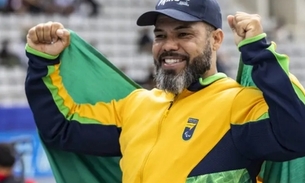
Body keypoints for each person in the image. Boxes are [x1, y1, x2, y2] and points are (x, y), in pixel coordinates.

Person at [24, 0, 305, 182]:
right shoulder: (134, 105)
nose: (168, 45)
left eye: (184, 34)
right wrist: (42, 61)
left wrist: (258, 50)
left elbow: (297, 134)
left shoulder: (239, 104)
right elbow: (61, 129)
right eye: (160, 35)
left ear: (216, 39)